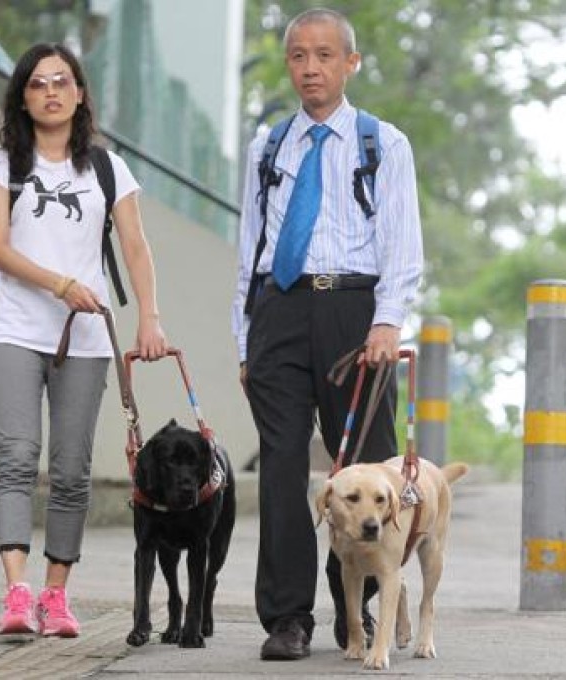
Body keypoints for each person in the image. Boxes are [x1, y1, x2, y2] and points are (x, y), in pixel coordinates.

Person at [231, 8, 423, 661]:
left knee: (368, 467)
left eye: (324, 55)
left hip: (354, 311)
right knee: (283, 466)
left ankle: (357, 613)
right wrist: (244, 341)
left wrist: (388, 319)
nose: (310, 68)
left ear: (350, 63)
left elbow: (402, 244)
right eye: (298, 57)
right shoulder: (267, 148)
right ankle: (286, 617)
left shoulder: (383, 144)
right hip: (279, 311)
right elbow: (248, 250)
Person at [0, 42, 168, 639]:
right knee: (16, 457)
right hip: (14, 329)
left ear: (80, 92)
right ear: (23, 97)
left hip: (86, 338)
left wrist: (150, 318)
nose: (51, 91)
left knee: (73, 469)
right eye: (38, 83)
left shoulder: (107, 168)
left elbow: (135, 245)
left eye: (62, 81)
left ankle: (56, 596)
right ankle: (16, 591)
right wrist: (61, 284)